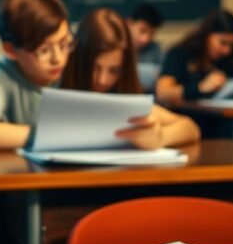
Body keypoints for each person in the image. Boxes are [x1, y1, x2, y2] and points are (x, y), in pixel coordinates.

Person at [61, 8, 200, 148]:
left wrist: (160, 137)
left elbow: (191, 128)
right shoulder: (57, 89)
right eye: (95, 68)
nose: (103, 80)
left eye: (114, 70)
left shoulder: (122, 97)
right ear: (79, 60)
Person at [0, 0, 72, 151]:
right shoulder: (0, 72)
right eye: (43, 50)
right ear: (11, 50)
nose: (58, 59)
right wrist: (47, 135)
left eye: (64, 44)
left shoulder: (78, 62)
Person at [155, 9, 233, 104]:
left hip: (221, 119)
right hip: (188, 117)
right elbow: (162, 93)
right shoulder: (180, 53)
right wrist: (200, 88)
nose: (227, 50)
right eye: (223, 43)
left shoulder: (227, 57)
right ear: (207, 35)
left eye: (231, 45)